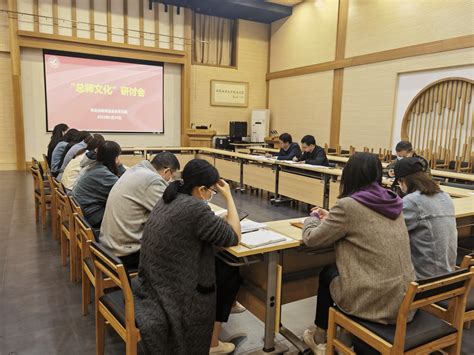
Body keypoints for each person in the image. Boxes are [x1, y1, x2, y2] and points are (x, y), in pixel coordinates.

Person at [301, 152, 415, 353]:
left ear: (349, 176)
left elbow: (311, 239)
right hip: (406, 298)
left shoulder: (348, 206)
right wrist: (333, 218)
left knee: (328, 273)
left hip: (376, 301)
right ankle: (337, 333)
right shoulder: (392, 200)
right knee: (332, 272)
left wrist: (312, 218)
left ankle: (321, 339)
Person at [132, 159, 241, 354]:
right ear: (201, 190)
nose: (211, 195)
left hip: (154, 280)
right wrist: (229, 197)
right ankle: (213, 343)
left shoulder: (170, 197)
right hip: (175, 292)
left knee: (225, 271)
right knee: (228, 272)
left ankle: (215, 338)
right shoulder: (196, 209)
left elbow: (190, 229)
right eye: (211, 192)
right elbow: (234, 237)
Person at [99, 152, 181, 270]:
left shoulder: (135, 170)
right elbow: (172, 213)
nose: (170, 180)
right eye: (172, 176)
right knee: (178, 244)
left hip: (108, 245)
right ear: (167, 171)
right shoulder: (152, 180)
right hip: (125, 253)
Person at [395, 157, 457, 279]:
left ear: (403, 180)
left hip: (425, 280)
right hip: (450, 276)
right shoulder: (446, 197)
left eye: (398, 183)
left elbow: (393, 231)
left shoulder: (412, 201)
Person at [72, 140, 124, 229]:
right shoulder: (103, 173)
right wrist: (120, 166)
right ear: (114, 157)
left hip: (83, 211)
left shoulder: (95, 165)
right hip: (92, 216)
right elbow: (124, 186)